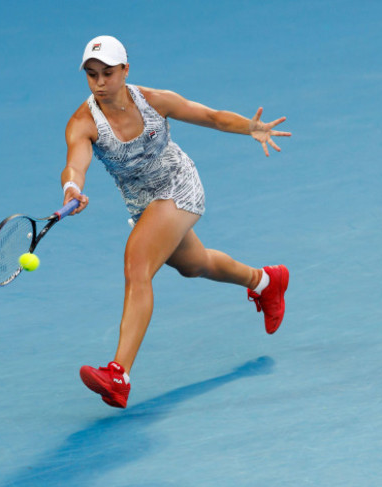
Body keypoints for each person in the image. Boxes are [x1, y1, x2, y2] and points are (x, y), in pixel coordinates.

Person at [61, 35, 291, 408]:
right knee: (194, 265)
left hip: (178, 186)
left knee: (137, 265)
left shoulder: (154, 100)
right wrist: (73, 186)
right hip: (142, 203)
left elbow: (210, 117)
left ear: (125, 71)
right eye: (91, 75)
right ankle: (265, 280)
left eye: (107, 73)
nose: (99, 83)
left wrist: (250, 127)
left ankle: (119, 373)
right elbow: (75, 162)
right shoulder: (82, 122)